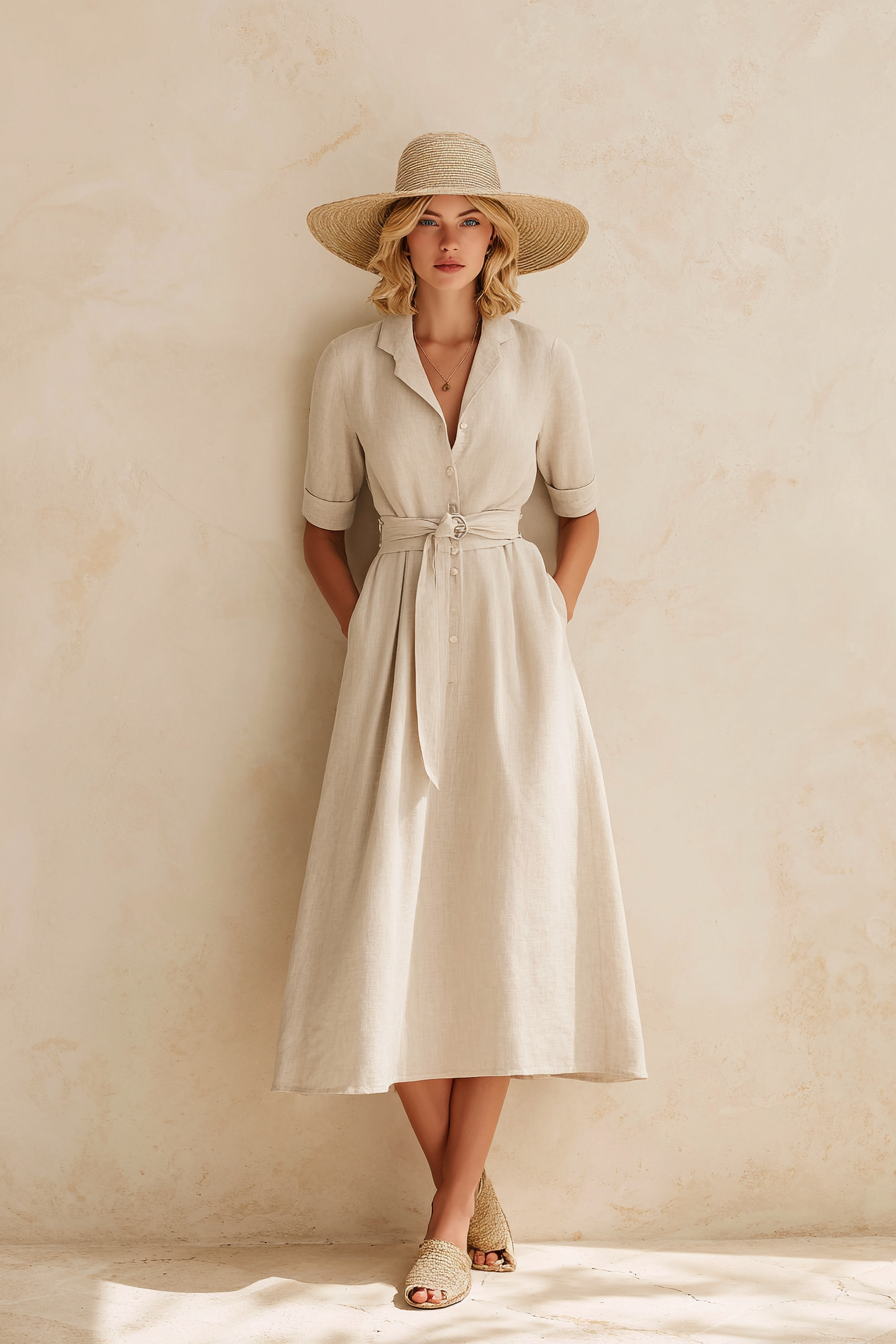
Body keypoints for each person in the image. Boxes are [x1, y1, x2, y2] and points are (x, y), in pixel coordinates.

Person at [272, 131, 647, 1310]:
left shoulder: (540, 359)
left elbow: (581, 515)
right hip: (393, 639)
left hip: (512, 646)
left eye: (470, 218)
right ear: (398, 239)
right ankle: (467, 1184)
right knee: (375, 906)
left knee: (500, 909)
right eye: (427, 219)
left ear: (496, 241)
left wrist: (547, 620)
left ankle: (441, 1225)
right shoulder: (349, 363)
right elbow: (319, 532)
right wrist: (368, 639)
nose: (448, 239)